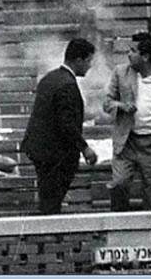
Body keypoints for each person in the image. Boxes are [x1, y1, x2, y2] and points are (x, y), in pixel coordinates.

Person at [103, 32, 151, 240]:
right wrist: (121, 106)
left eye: (132, 51)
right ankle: (119, 231)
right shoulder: (121, 73)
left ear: (146, 56)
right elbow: (107, 102)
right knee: (119, 183)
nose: (128, 55)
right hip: (127, 142)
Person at [21, 38, 99, 215]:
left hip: (41, 150)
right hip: (55, 154)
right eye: (89, 61)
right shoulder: (67, 85)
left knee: (48, 199)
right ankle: (49, 238)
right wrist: (85, 148)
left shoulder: (50, 78)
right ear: (78, 60)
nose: (90, 66)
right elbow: (66, 123)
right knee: (52, 203)